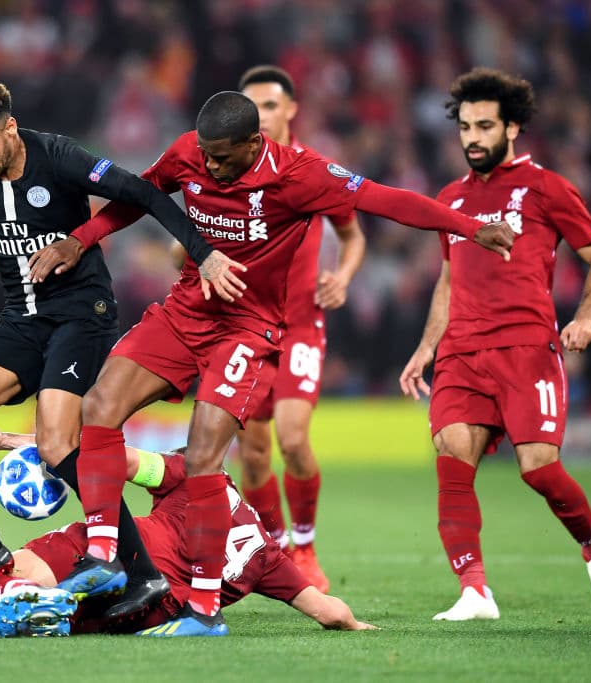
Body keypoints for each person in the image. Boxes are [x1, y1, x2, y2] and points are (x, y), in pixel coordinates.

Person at [32, 91, 515, 636]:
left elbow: (384, 199)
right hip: (185, 312)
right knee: (99, 406)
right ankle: (104, 554)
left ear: (254, 142)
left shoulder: (299, 175)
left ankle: (206, 613)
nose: (210, 166)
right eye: (206, 156)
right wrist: (81, 238)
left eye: (222, 157)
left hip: (247, 329)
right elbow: (138, 197)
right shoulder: (188, 152)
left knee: (203, 457)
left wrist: (468, 227)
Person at [0, 78, 245, 599]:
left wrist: (203, 252)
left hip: (83, 314)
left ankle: (142, 572)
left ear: (9, 128)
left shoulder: (57, 157)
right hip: (21, 316)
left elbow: (143, 193)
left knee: (59, 445)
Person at [398, 67, 591, 621]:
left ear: (513, 129)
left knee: (539, 468)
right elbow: (449, 279)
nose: (472, 137)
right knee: (452, 454)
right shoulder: (450, 198)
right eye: (465, 127)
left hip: (525, 348)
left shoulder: (547, 188)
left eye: (484, 126)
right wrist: (427, 345)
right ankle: (475, 591)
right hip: (461, 351)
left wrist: (587, 318)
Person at [0, 446, 377, 637]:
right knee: (60, 622)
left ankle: (13, 592)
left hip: (121, 554)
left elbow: (111, 459)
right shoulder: (268, 555)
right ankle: (17, 610)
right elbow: (328, 612)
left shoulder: (189, 473)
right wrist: (357, 624)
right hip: (152, 610)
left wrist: (16, 442)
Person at [232, 65, 366, 592]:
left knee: (291, 439)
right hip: (246, 325)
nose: (260, 117)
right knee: (254, 452)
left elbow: (353, 237)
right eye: (250, 108)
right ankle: (278, 549)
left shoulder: (313, 171)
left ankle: (305, 546)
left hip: (302, 323)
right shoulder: (229, 171)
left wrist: (344, 277)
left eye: (268, 106)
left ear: (290, 110)